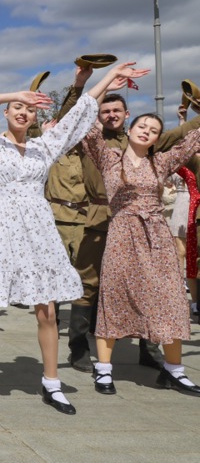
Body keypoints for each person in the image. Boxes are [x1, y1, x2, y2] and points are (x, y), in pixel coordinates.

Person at [0, 62, 146, 416]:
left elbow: (80, 113)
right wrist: (14, 93)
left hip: (39, 230)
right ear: (8, 112)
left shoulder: (45, 146)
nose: (23, 113)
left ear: (36, 116)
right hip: (3, 229)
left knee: (47, 312)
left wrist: (106, 81)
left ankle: (51, 383)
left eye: (28, 108)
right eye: (17, 108)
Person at [63, 66, 200, 373]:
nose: (110, 114)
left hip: (145, 227)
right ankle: (79, 348)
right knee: (90, 285)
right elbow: (71, 118)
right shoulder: (93, 142)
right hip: (98, 218)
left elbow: (184, 137)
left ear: (127, 114)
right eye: (104, 110)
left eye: (116, 110)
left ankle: (149, 349)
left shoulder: (144, 141)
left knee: (149, 285)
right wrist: (81, 84)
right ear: (98, 115)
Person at [82, 113, 200, 396]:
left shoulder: (160, 162)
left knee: (171, 298)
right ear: (130, 128)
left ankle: (174, 371)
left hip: (157, 237)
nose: (147, 131)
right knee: (114, 298)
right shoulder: (110, 158)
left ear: (158, 138)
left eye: (154, 130)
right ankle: (104, 370)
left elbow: (190, 141)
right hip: (123, 235)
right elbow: (88, 130)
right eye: (142, 126)